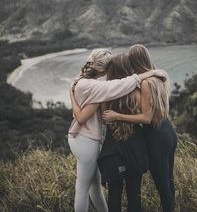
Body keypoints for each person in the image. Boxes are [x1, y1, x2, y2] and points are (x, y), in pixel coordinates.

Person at [68, 48, 164, 212]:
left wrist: (72, 98)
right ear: (103, 68)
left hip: (82, 139)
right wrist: (152, 73)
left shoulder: (80, 81)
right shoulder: (95, 88)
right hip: (86, 139)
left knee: (96, 186)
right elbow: (120, 86)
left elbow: (113, 91)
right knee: (83, 189)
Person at [102, 44, 177, 212]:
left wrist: (116, 116)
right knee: (169, 180)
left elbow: (146, 118)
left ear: (134, 62)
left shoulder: (144, 84)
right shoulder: (160, 77)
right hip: (168, 130)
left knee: (161, 182)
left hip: (156, 135)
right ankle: (171, 207)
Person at [98, 53, 149, 212]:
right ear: (128, 69)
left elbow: (105, 119)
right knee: (135, 194)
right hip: (135, 148)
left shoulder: (104, 94)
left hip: (113, 149)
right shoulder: (137, 92)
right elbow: (144, 117)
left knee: (114, 194)